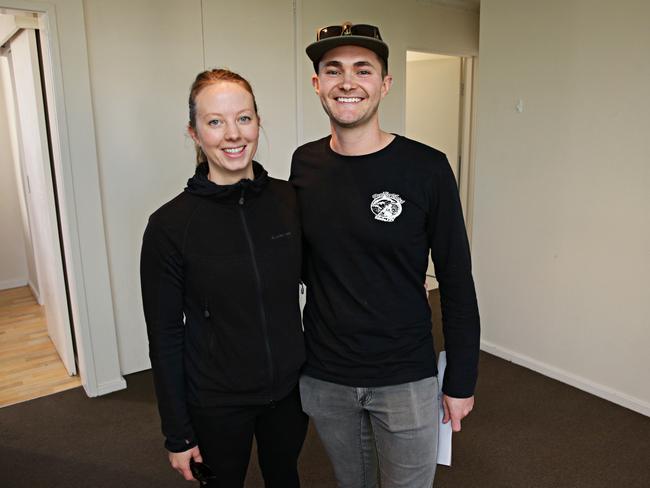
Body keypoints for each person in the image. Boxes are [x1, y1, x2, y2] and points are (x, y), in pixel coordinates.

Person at [290, 22, 481, 488]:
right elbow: (302, 261)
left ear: (385, 84)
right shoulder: (304, 163)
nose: (348, 82)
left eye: (363, 69)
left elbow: (456, 279)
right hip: (326, 373)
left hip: (405, 377)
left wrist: (461, 379)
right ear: (318, 84)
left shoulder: (427, 168)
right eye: (333, 71)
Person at [140, 69, 308, 488]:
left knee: (285, 477)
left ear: (258, 121)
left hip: (289, 394)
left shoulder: (289, 200)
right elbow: (164, 338)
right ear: (194, 133)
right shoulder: (169, 226)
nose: (233, 134)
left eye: (244, 118)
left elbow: (327, 279)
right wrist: (177, 433)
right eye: (215, 121)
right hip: (215, 402)